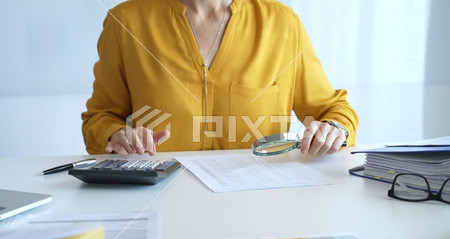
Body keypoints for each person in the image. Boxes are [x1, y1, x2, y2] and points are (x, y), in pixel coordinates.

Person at [82, 0, 359, 156]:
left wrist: (334, 128)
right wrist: (117, 134)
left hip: (264, 208)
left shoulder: (282, 23)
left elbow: (333, 111)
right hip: (162, 206)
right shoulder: (126, 22)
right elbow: (100, 118)